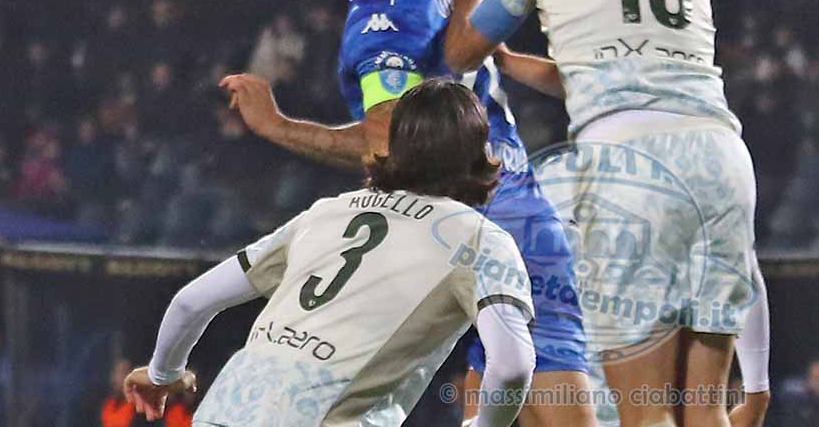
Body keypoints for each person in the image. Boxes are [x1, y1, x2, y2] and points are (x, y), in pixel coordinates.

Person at [218, 0, 595, 426]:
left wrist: (278, 127)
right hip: (499, 219)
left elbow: (387, 144)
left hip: (478, 226)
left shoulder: (384, 16)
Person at [441, 0, 771, 427]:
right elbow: (614, 72)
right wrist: (514, 64)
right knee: (705, 413)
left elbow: (461, 51)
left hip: (631, 163)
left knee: (647, 415)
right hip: (721, 157)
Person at [123, 80, 536, 427]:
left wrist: (162, 374)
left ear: (392, 145)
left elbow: (191, 301)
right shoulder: (479, 239)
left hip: (224, 414)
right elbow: (512, 365)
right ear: (480, 155)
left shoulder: (326, 212)